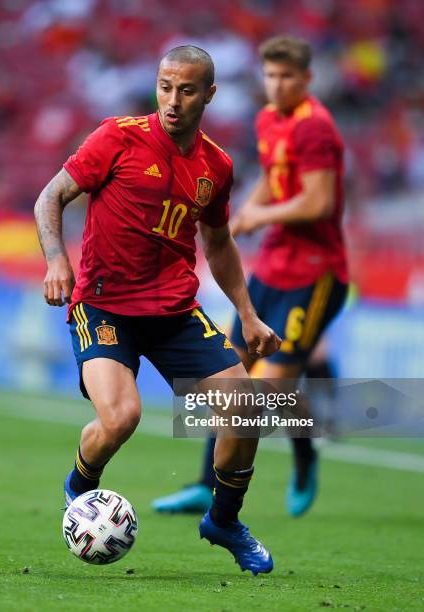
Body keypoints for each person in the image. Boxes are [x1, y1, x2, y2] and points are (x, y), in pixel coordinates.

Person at [34, 45, 281, 575]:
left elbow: (217, 242)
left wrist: (249, 313)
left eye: (186, 90)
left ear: (209, 95)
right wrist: (57, 259)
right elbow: (50, 196)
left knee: (247, 407)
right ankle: (80, 487)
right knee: (122, 417)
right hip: (104, 305)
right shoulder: (116, 136)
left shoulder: (216, 165)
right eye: (165, 87)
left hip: (172, 311)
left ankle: (223, 520)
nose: (172, 100)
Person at [152, 35, 348, 518]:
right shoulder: (268, 121)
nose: (277, 86)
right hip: (271, 268)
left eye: (287, 78)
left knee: (266, 390)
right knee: (234, 377)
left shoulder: (316, 128)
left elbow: (319, 200)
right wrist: (248, 208)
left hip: (314, 275)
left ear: (306, 79)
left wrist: (258, 219)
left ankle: (304, 457)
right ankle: (204, 484)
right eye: (270, 76)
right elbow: (274, 175)